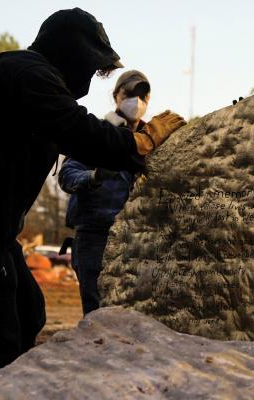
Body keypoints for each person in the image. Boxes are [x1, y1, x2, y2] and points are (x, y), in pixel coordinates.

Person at [0, 8, 185, 384]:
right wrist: (142, 140)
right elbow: (83, 134)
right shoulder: (28, 73)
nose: (90, 79)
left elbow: (76, 135)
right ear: (72, 54)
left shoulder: (25, 76)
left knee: (29, 313)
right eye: (91, 68)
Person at [59, 70, 151, 315]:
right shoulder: (95, 133)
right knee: (98, 312)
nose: (136, 101)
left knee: (135, 316)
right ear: (116, 96)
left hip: (139, 241)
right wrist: (94, 177)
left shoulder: (153, 140)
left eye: (143, 95)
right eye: (130, 93)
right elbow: (68, 174)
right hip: (96, 238)